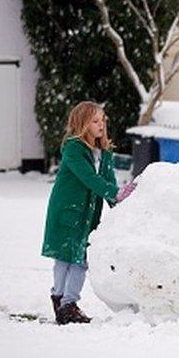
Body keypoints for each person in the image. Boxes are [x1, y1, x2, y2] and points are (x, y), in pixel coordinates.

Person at [41, 101, 136, 325]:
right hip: (69, 212)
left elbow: (108, 183)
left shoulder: (104, 153)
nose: (101, 124)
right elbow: (89, 178)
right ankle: (66, 303)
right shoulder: (74, 148)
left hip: (88, 215)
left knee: (80, 258)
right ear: (82, 124)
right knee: (67, 258)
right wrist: (115, 192)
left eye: (103, 120)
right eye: (95, 121)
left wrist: (121, 204)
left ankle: (64, 302)